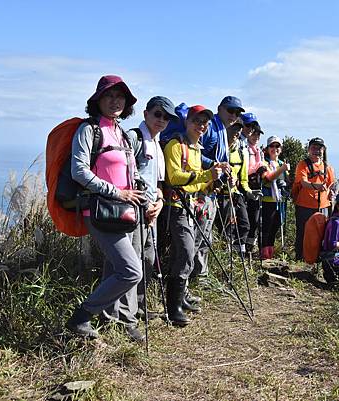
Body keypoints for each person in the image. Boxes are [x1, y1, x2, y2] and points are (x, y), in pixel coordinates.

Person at [65, 75, 146, 342]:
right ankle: (81, 317)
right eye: (110, 96)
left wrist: (142, 193)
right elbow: (79, 172)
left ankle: (114, 323)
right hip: (99, 211)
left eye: (120, 96)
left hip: (126, 211)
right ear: (98, 100)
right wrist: (117, 192)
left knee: (115, 268)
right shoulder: (89, 130)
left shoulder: (122, 134)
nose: (115, 101)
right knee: (131, 271)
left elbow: (131, 173)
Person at [163, 105, 224, 326]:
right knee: (186, 252)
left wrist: (214, 183)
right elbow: (174, 177)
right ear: (187, 122)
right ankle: (173, 309)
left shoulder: (197, 149)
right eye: (197, 121)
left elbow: (198, 182)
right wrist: (208, 174)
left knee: (187, 253)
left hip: (192, 206)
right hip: (176, 207)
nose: (202, 126)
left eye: (205, 123)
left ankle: (179, 301)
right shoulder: (175, 145)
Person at [127, 96, 179, 319]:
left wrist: (159, 203)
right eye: (158, 114)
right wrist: (147, 203)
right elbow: (127, 175)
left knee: (148, 260)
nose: (162, 120)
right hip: (135, 210)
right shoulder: (134, 137)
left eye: (166, 117)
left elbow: (157, 183)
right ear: (146, 113)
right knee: (134, 261)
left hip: (151, 212)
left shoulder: (158, 143)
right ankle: (126, 313)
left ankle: (139, 307)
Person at [189, 96, 243, 279]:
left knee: (205, 236)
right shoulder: (212, 129)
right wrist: (215, 165)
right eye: (231, 111)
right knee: (199, 237)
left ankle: (199, 276)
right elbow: (195, 156)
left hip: (211, 192)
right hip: (201, 192)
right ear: (220, 109)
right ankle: (192, 278)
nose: (234, 115)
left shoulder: (221, 130)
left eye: (237, 113)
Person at [216, 121, 255, 256]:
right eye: (234, 129)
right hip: (220, 193)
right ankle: (226, 254)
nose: (236, 132)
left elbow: (243, 177)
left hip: (235, 193)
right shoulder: (219, 148)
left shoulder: (241, 151)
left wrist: (248, 191)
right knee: (226, 228)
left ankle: (239, 255)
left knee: (245, 225)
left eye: (239, 129)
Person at [293, 137, 335, 261]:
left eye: (319, 148)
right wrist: (316, 186)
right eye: (314, 147)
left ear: (323, 150)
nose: (317, 150)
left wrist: (331, 192)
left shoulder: (327, 167)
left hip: (323, 206)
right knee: (303, 232)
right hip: (304, 205)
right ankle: (300, 258)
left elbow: (331, 184)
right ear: (309, 149)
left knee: (321, 233)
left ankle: (316, 258)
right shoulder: (303, 164)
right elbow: (303, 182)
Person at [259, 136, 290, 260]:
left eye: (277, 146)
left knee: (276, 225)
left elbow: (287, 181)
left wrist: (286, 183)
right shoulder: (264, 162)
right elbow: (266, 179)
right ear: (267, 148)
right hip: (267, 199)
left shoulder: (282, 163)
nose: (275, 149)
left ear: (281, 149)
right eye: (272, 146)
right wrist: (281, 170)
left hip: (280, 199)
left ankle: (270, 251)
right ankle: (263, 252)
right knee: (266, 226)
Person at [242, 114, 264, 254]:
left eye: (258, 134)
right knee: (246, 219)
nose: (256, 137)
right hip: (246, 185)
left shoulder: (258, 151)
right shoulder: (245, 148)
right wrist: (258, 169)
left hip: (256, 186)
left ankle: (250, 245)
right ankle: (243, 246)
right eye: (254, 133)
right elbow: (246, 168)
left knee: (255, 219)